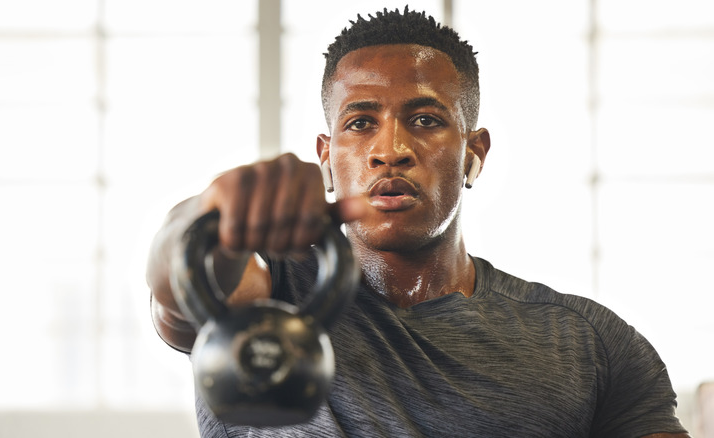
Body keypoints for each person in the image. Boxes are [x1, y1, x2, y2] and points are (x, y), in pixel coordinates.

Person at [146, 7, 690, 437]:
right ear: (326, 157)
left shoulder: (591, 345)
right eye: (360, 123)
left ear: (474, 154)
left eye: (425, 120)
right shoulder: (264, 301)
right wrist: (211, 215)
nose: (391, 150)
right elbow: (177, 282)